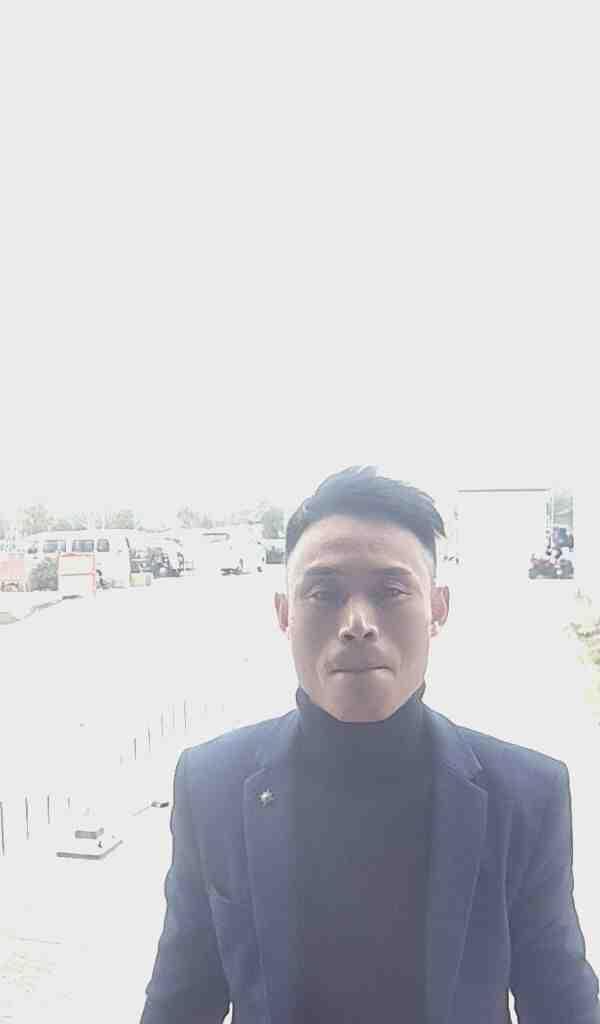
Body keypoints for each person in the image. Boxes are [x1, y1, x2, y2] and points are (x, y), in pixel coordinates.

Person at [140, 466, 600, 1024]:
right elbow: (181, 1000)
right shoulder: (212, 786)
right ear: (285, 614)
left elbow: (561, 1004)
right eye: (324, 593)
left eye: (390, 591)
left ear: (437, 608)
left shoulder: (526, 795)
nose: (357, 623)